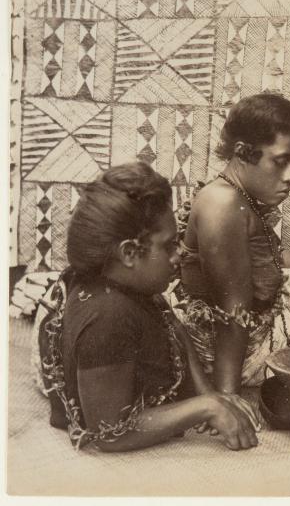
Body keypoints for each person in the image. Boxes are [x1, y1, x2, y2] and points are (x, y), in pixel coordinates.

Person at [36, 162, 260, 452]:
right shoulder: (106, 316)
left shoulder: (132, 282)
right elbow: (110, 433)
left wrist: (210, 393)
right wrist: (204, 408)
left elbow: (172, 327)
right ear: (129, 253)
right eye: (168, 246)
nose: (179, 253)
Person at [177, 94, 290, 396]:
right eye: (280, 162)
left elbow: (270, 258)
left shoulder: (237, 197)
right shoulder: (221, 203)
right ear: (243, 152)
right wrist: (227, 399)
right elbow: (232, 310)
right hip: (237, 349)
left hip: (253, 331)